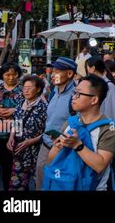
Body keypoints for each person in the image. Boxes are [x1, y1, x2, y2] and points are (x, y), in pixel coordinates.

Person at [47, 75, 115, 191]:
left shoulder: (107, 128)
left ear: (94, 100)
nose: (73, 97)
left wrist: (77, 145)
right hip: (65, 185)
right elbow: (50, 161)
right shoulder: (70, 122)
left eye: (78, 94)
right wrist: (57, 147)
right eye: (74, 92)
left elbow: (100, 166)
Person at [36, 57, 77, 190]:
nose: (52, 74)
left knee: (59, 185)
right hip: (45, 146)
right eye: (52, 71)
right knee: (41, 184)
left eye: (57, 71)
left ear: (70, 74)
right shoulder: (53, 92)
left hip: (63, 151)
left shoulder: (76, 96)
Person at [91, 58, 115, 191]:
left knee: (108, 167)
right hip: (101, 130)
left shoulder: (109, 86)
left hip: (107, 131)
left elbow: (113, 112)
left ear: (93, 69)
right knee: (108, 168)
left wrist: (112, 132)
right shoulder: (98, 85)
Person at [7, 75, 47, 191]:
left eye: (30, 87)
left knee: (40, 185)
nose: (26, 90)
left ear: (38, 89)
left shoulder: (44, 107)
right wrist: (11, 137)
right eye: (24, 87)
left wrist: (31, 141)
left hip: (37, 153)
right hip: (20, 152)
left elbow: (48, 131)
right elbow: (17, 122)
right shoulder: (20, 104)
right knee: (16, 185)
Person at [0, 63, 23, 190]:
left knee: (18, 164)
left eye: (14, 74)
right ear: (2, 75)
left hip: (18, 129)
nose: (11, 77)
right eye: (7, 74)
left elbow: (28, 107)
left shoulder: (24, 89)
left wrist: (14, 110)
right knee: (5, 163)